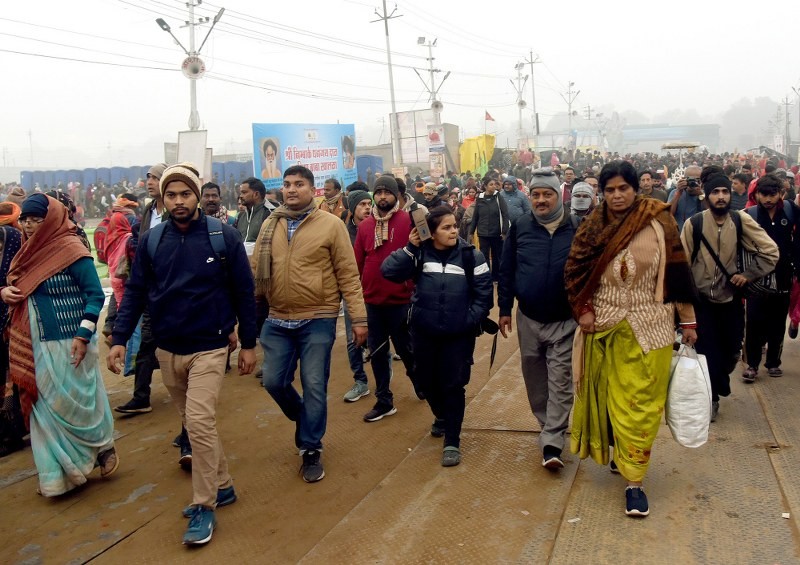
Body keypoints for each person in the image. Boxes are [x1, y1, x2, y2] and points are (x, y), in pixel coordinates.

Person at [108, 163, 257, 546]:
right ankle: (223, 485)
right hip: (167, 349)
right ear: (163, 198)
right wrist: (120, 337)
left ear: (197, 196)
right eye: (171, 195)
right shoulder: (152, 240)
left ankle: (204, 505)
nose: (178, 201)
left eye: (185, 194)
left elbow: (245, 291)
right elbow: (136, 292)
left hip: (210, 346)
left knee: (199, 422)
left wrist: (249, 343)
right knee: (194, 422)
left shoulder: (222, 236)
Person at [564, 161, 699, 517]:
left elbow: (678, 273)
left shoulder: (660, 220)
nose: (617, 195)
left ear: (635, 189)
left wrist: (688, 320)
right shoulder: (593, 226)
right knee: (608, 400)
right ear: (602, 193)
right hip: (603, 326)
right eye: (610, 190)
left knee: (641, 405)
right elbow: (574, 273)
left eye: (623, 188)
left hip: (651, 328)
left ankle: (634, 481)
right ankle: (620, 451)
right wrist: (584, 310)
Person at [253, 165, 367, 483]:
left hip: (318, 316)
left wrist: (359, 319)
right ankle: (305, 418)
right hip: (277, 317)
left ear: (312, 190)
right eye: (287, 184)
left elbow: (348, 275)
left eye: (299, 184)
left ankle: (310, 447)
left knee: (314, 383)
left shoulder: (331, 225)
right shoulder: (270, 224)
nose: (291, 189)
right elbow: (255, 270)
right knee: (273, 381)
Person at [4, 194, 118, 496]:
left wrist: (83, 335)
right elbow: (14, 284)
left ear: (52, 220)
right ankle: (56, 477)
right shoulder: (24, 255)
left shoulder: (72, 250)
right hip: (36, 343)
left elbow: (95, 295)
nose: (29, 226)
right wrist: (5, 292)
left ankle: (102, 447)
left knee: (80, 404)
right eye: (25, 220)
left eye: (36, 220)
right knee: (45, 409)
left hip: (72, 341)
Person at [382, 207, 492, 467]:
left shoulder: (471, 255)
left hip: (458, 335)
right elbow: (389, 272)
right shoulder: (420, 253)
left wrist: (469, 320)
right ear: (430, 233)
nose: (454, 231)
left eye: (454, 226)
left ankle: (452, 440)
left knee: (453, 385)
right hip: (424, 332)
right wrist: (410, 248)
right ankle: (441, 415)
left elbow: (484, 294)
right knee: (424, 381)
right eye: (446, 227)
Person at [499, 167, 579, 470]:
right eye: (536, 194)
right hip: (528, 318)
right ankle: (547, 427)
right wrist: (504, 308)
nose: (541, 200)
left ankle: (552, 441)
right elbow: (506, 269)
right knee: (535, 381)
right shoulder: (521, 226)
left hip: (565, 321)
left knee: (560, 381)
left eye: (547, 194)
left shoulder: (576, 226)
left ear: (559, 195)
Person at [680, 174, 778, 421]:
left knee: (731, 351)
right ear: (707, 196)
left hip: (731, 300)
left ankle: (719, 381)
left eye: (725, 191)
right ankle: (711, 398)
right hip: (702, 302)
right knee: (707, 353)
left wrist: (748, 275)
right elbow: (681, 265)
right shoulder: (694, 224)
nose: (721, 196)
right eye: (715, 192)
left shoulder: (740, 220)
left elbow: (770, 251)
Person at [354, 175, 418, 422]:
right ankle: (384, 400)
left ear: (396, 195)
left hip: (402, 301)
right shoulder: (365, 227)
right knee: (378, 353)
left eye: (387, 192)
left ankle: (420, 382)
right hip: (372, 302)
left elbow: (421, 256)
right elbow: (357, 263)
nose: (382, 197)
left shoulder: (409, 221)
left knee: (407, 350)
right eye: (378, 192)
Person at [741, 174, 800, 381]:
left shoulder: (791, 211)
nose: (767, 199)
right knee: (754, 321)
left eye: (772, 194)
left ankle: (773, 363)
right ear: (757, 195)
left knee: (777, 321)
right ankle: (752, 364)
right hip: (757, 277)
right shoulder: (749, 215)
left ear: (781, 194)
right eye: (763, 194)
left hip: (784, 276)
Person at [342, 190, 373, 402]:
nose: (367, 208)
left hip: (374, 292)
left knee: (378, 338)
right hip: (351, 293)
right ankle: (360, 381)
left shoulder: (376, 228)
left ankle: (384, 378)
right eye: (362, 204)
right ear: (353, 209)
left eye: (369, 204)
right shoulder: (342, 233)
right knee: (353, 338)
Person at [0, 203, 25, 458]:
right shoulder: (14, 237)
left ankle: (11, 433)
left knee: (12, 380)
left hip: (12, 326)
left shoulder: (12, 239)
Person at [469, 177, 510, 283]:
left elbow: (505, 215)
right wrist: (471, 231)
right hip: (483, 233)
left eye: (495, 184)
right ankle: (486, 276)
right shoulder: (480, 198)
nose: (494, 186)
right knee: (484, 256)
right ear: (485, 186)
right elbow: (475, 216)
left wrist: (504, 231)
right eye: (491, 184)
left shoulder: (498, 197)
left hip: (496, 233)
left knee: (496, 256)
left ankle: (496, 277)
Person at [238, 177, 273, 255]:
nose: (240, 196)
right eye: (241, 193)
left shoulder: (269, 213)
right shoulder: (241, 216)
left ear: (256, 194)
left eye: (244, 192)